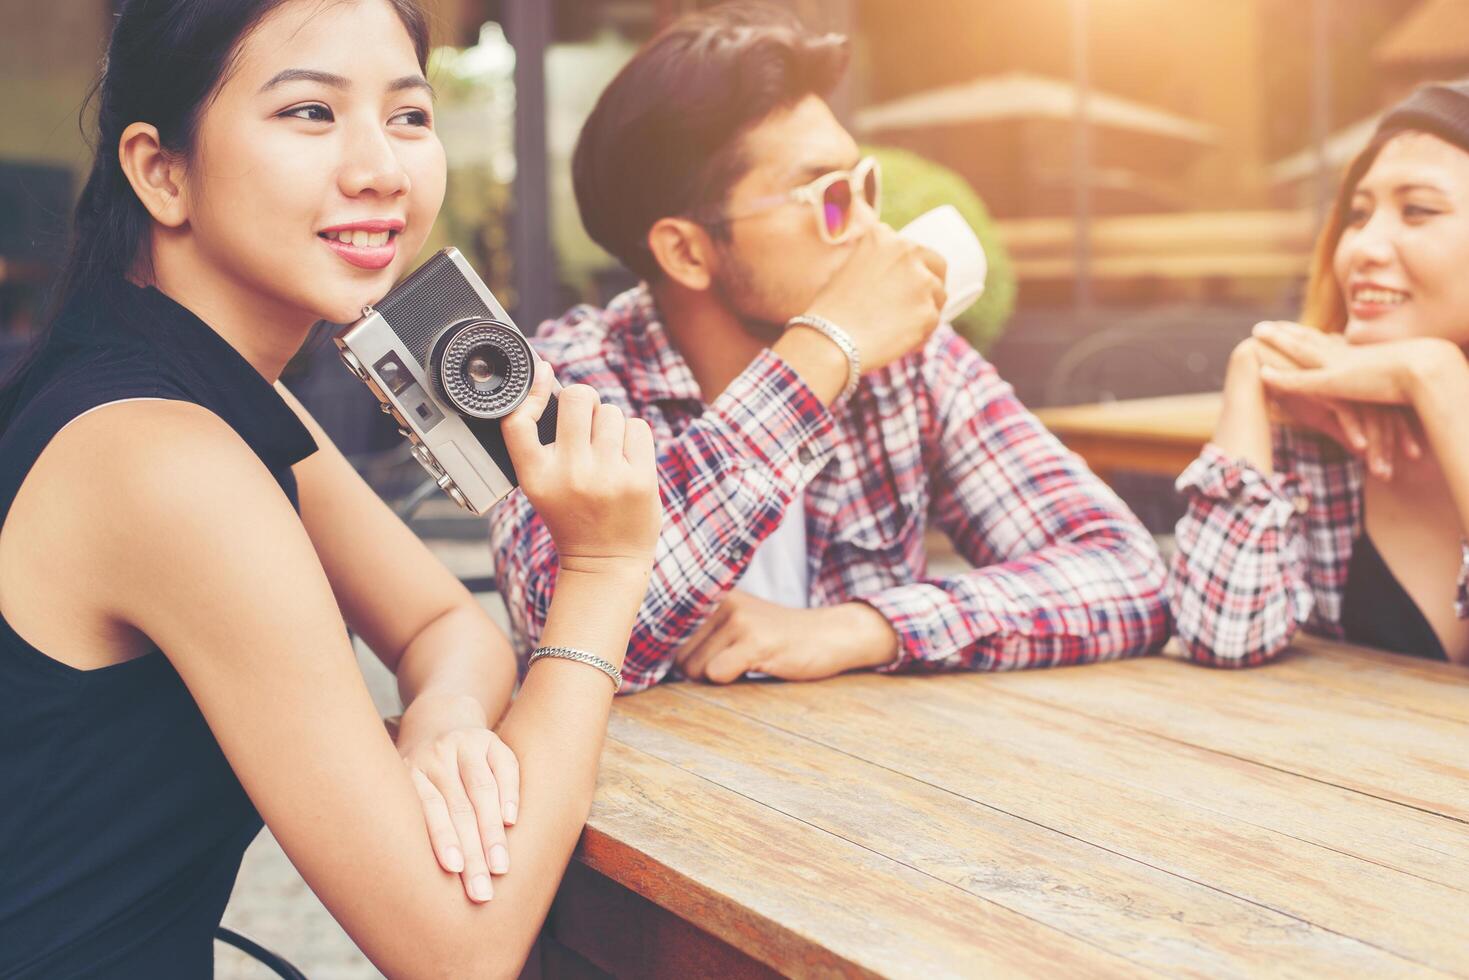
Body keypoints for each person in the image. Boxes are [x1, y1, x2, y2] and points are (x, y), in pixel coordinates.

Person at [0, 1, 660, 976]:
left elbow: (447, 624)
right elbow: (457, 949)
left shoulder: (203, 386)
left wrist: (444, 717)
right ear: (159, 170)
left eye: (408, 116)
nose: (381, 170)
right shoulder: (161, 457)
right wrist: (603, 566)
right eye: (310, 113)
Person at [489, 2, 1168, 693]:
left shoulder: (908, 364)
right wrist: (820, 353)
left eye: (862, 185)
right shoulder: (569, 387)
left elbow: (1127, 575)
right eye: (828, 197)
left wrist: (862, 627)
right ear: (687, 252)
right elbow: (584, 645)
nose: (871, 229)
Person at [1169, 79, 1469, 668]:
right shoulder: (1316, 419)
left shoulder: (1432, 379)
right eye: (1358, 215)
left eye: (1419, 210)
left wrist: (1438, 379)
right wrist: (1250, 371)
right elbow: (1225, 636)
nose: (1364, 247)